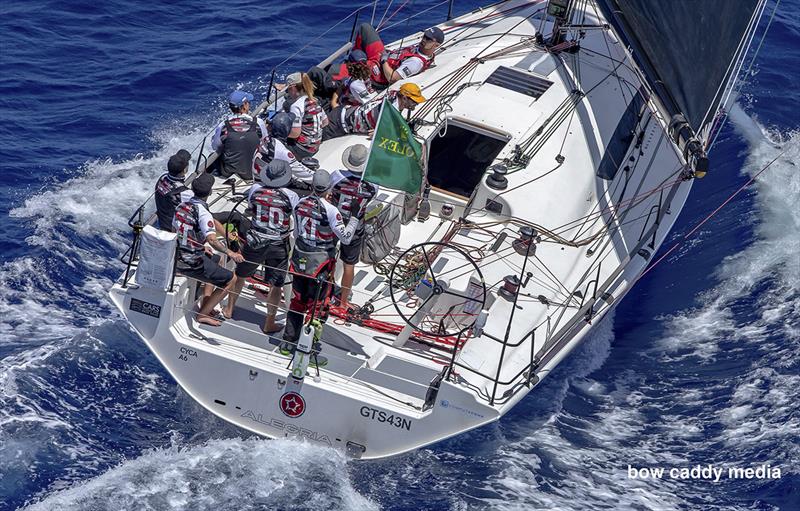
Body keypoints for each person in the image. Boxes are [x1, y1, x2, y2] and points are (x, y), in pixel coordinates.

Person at [282, 171, 361, 354]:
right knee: (317, 306)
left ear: (312, 186)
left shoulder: (299, 203)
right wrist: (355, 217)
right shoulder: (332, 210)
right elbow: (346, 238)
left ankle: (288, 342)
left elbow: (296, 233)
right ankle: (308, 349)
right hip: (321, 265)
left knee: (297, 302)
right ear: (329, 190)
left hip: (300, 260)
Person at [223, 160, 300, 333]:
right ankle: (269, 323)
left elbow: (251, 208)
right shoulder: (290, 196)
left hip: (255, 241)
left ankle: (229, 309)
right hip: (278, 244)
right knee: (276, 284)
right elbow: (295, 215)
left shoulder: (254, 190)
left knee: (240, 274)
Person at [172, 173, 245, 326]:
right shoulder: (203, 212)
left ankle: (207, 301)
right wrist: (231, 252)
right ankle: (203, 314)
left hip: (176, 256)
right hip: (191, 263)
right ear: (210, 192)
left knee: (216, 259)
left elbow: (177, 231)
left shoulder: (181, 206)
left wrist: (199, 246)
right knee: (232, 279)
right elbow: (212, 239)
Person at [330, 144, 378, 309]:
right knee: (349, 265)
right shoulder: (373, 186)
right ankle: (343, 302)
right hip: (356, 227)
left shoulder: (336, 176)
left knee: (329, 257)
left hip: (335, 223)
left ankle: (326, 291)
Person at [322, 82, 425, 140]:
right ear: (404, 98)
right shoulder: (388, 113)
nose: (417, 104)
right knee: (314, 139)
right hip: (337, 123)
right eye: (414, 101)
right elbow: (376, 134)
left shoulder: (393, 94)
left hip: (344, 112)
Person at [353, 23, 444, 87]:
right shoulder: (418, 48)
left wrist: (384, 60)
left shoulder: (415, 62)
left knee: (353, 58)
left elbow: (392, 78)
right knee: (365, 28)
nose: (424, 40)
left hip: (380, 72)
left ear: (437, 45)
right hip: (383, 57)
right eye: (425, 36)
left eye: (429, 39)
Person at [211, 90, 268, 180]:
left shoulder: (223, 125)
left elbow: (215, 147)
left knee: (212, 157)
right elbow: (265, 142)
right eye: (248, 102)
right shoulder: (258, 123)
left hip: (229, 173)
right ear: (244, 106)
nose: (249, 104)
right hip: (253, 171)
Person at [252, 111, 313, 184]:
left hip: (259, 178)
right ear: (287, 130)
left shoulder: (265, 141)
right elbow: (304, 174)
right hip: (268, 183)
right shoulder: (282, 152)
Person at [282, 72, 329, 160]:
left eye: (287, 90)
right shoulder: (314, 100)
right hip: (315, 146)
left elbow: (295, 134)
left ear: (293, 88)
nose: (287, 92)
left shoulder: (296, 106)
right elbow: (325, 122)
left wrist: (281, 132)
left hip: (303, 150)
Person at [155, 149, 193, 231]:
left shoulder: (161, 179)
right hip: (174, 229)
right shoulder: (185, 192)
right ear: (185, 170)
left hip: (162, 223)